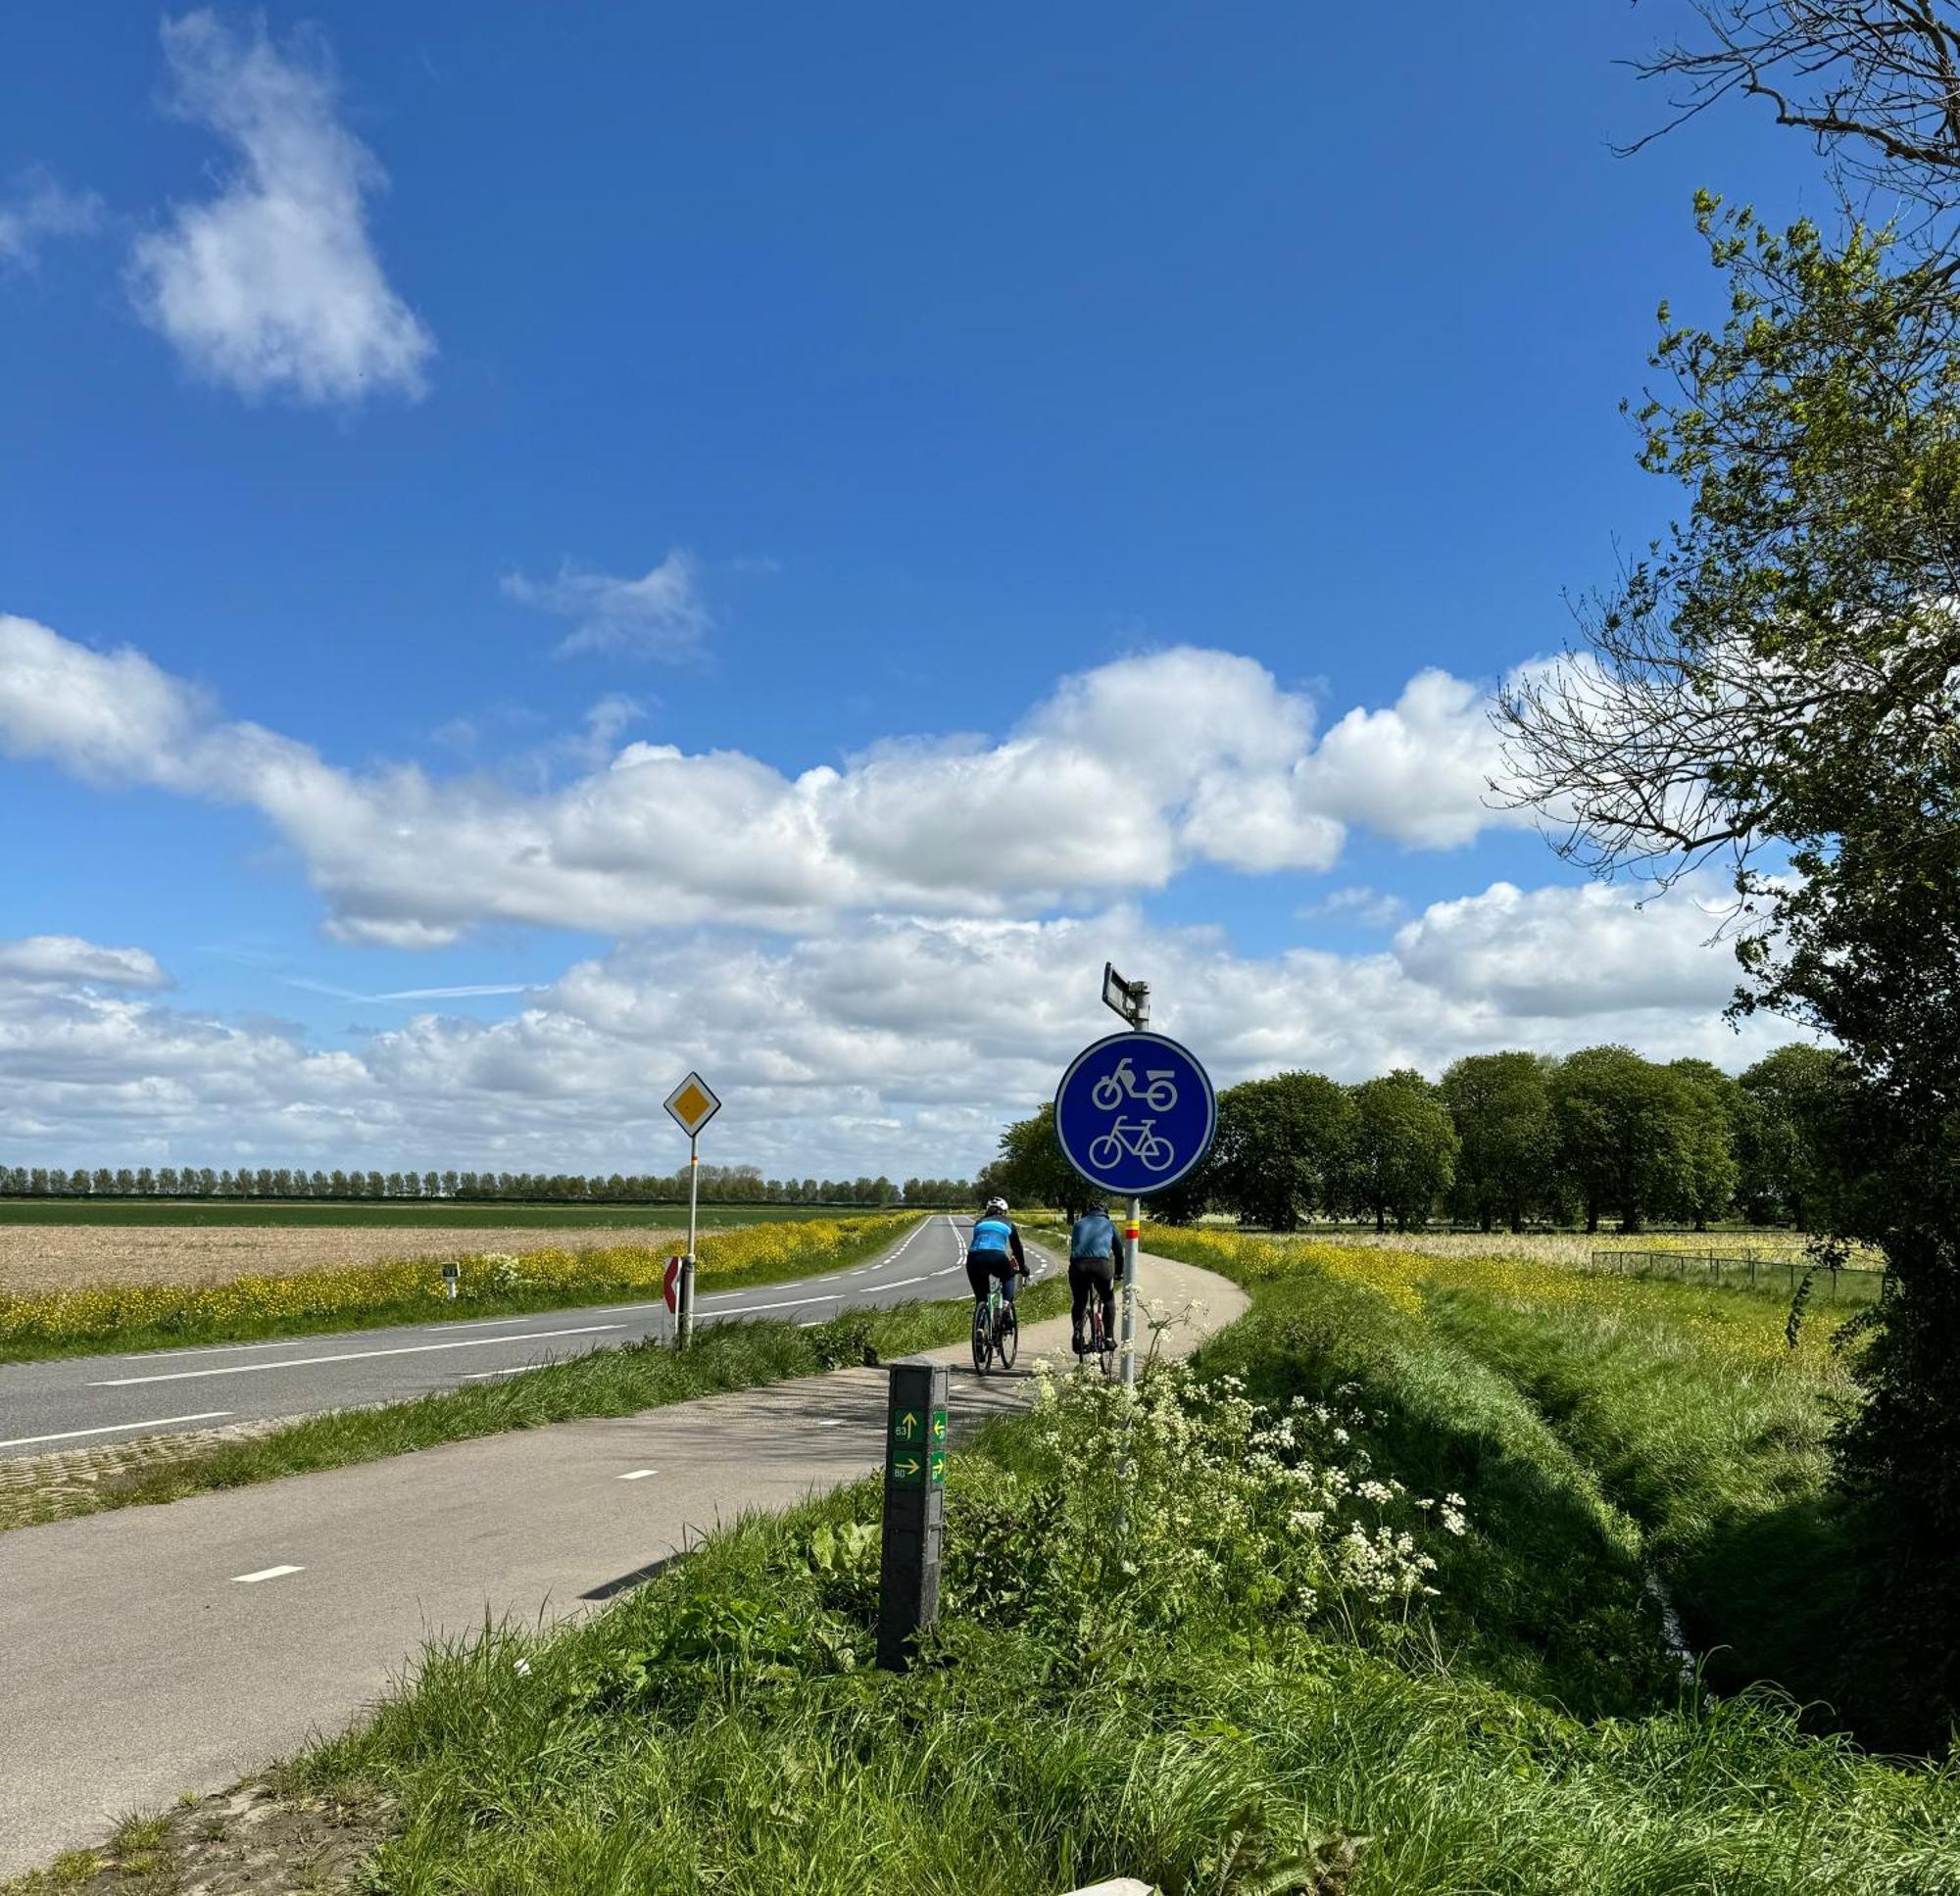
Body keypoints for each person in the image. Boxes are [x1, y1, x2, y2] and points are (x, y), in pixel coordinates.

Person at [1067, 1200, 1120, 1359]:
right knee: (1108, 1300)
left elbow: (1075, 1246)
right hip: (1101, 1266)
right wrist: (1119, 1272)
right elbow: (1119, 1252)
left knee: (1079, 1302)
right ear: (1105, 1212)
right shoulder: (1109, 1225)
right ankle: (1109, 1338)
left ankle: (1077, 1335)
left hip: (1078, 1266)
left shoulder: (1078, 1224)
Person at [966, 1196, 1028, 1314]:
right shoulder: (1009, 1223)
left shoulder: (979, 1222)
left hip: (973, 1258)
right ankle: (1005, 1304)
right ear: (1004, 1211)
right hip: (996, 1256)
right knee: (1009, 1276)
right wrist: (1022, 1267)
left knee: (981, 1298)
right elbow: (1017, 1248)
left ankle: (981, 1325)